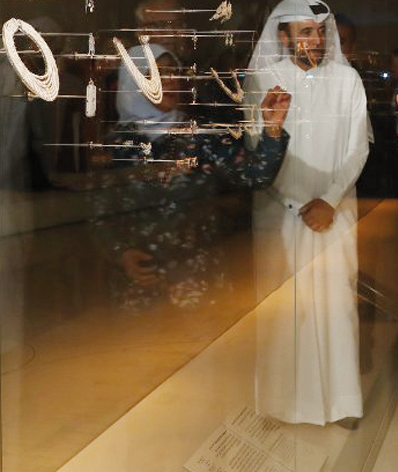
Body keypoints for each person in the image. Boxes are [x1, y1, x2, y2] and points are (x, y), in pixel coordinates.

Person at [247, 0, 370, 425]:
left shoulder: (347, 79)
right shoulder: (263, 80)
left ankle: (341, 405)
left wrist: (329, 200)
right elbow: (256, 152)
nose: (315, 40)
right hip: (281, 213)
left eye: (320, 32)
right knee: (285, 314)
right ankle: (281, 405)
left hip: (334, 212)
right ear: (283, 37)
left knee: (337, 307)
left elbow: (358, 150)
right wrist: (294, 202)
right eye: (305, 33)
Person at [96, 43, 290, 311]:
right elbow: (99, 212)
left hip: (199, 282)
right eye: (159, 73)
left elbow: (255, 176)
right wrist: (121, 253)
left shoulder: (199, 138)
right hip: (140, 287)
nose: (172, 80)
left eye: (175, 72)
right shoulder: (116, 146)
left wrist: (273, 130)